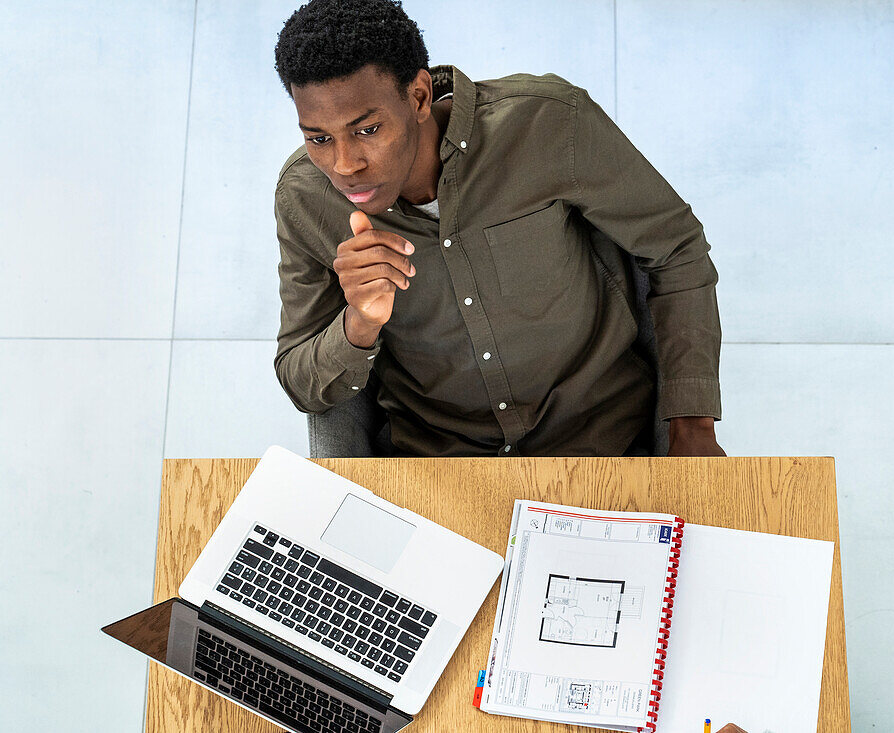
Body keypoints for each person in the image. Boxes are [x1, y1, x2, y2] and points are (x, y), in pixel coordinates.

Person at [272, 0, 725, 458]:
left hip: (600, 447)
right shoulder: (306, 199)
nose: (345, 165)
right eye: (319, 138)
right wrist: (359, 324)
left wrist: (691, 426)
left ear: (419, 97)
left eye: (367, 130)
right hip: (438, 468)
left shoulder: (549, 125)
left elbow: (676, 249)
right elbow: (299, 378)